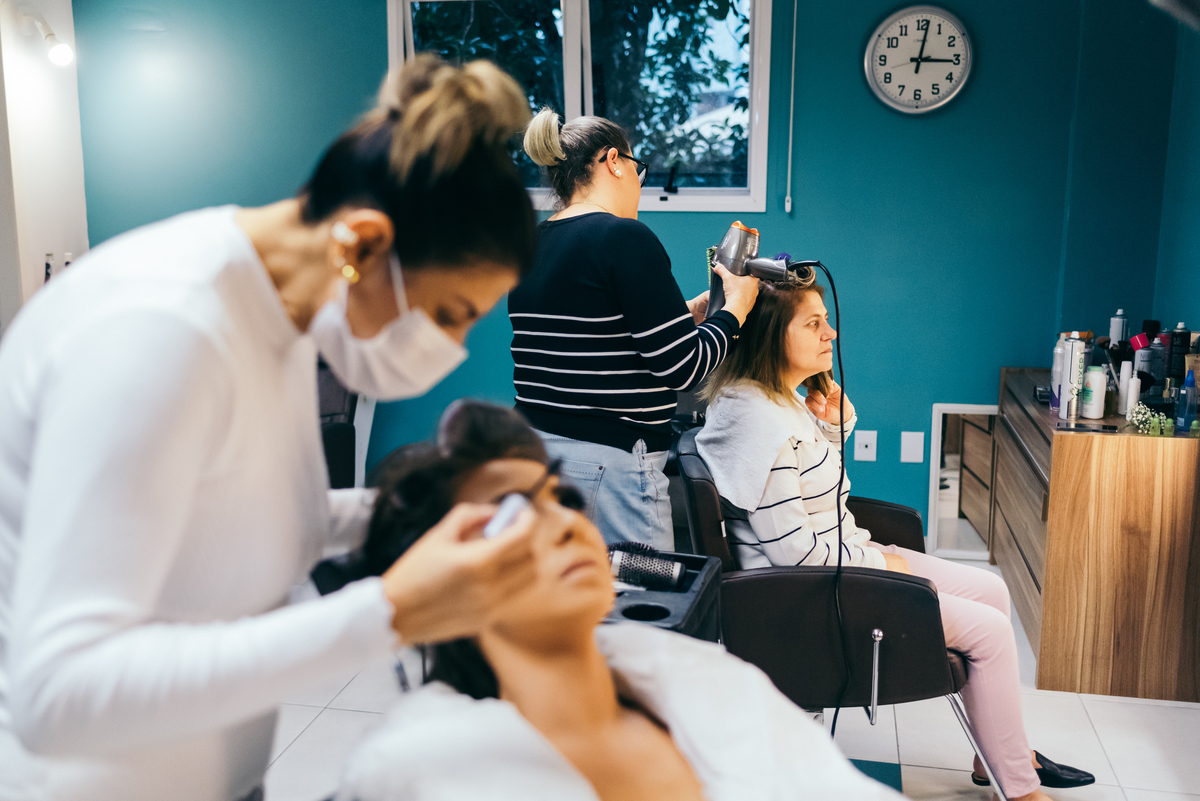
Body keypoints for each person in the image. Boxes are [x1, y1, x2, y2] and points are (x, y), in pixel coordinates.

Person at [0, 56, 542, 801]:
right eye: (449, 313)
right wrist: (387, 612)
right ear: (361, 246)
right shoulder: (161, 331)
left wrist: (422, 506)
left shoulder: (279, 316)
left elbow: (223, 518)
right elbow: (57, 695)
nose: (444, 351)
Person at [332, 400, 902, 801]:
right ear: (438, 586)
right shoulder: (425, 769)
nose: (560, 522)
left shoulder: (709, 683)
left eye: (554, 496)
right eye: (508, 518)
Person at [695, 281, 1096, 801]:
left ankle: (995, 754)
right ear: (771, 335)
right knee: (994, 631)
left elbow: (811, 489)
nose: (830, 332)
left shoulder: (774, 401)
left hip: (845, 569)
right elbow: (797, 555)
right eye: (813, 323)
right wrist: (883, 565)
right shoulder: (757, 421)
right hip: (816, 596)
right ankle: (1020, 788)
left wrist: (831, 423)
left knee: (993, 593)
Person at [508, 108, 759, 550]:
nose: (640, 183)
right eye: (638, 168)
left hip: (534, 455)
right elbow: (683, 370)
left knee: (562, 605)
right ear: (613, 161)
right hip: (609, 469)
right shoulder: (624, 236)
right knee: (642, 611)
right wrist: (735, 309)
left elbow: (586, 333)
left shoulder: (534, 242)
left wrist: (686, 313)